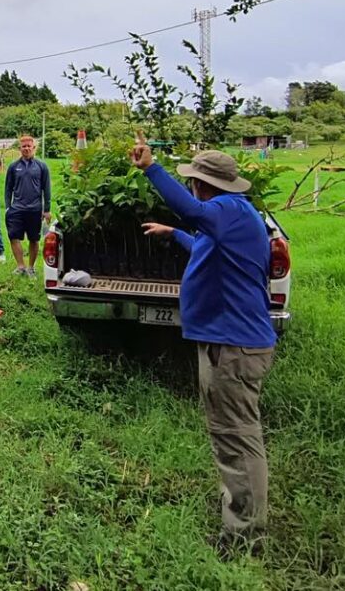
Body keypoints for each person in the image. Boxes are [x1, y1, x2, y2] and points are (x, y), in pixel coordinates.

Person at [131, 137, 277, 557]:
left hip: (233, 347)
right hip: (226, 343)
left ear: (201, 184)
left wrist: (151, 168)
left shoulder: (229, 209)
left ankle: (244, 536)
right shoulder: (231, 218)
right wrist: (175, 233)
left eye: (192, 181)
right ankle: (240, 511)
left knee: (237, 438)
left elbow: (193, 212)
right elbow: (202, 245)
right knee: (230, 434)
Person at [4, 135, 51, 278]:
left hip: (35, 209)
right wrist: (8, 207)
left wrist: (47, 210)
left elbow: (46, 189)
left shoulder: (41, 166)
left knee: (34, 239)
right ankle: (20, 266)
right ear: (20, 148)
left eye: (29, 146)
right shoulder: (13, 167)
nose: (26, 148)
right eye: (24, 146)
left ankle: (31, 267)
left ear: (34, 148)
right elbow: (8, 188)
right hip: (17, 208)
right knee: (13, 236)